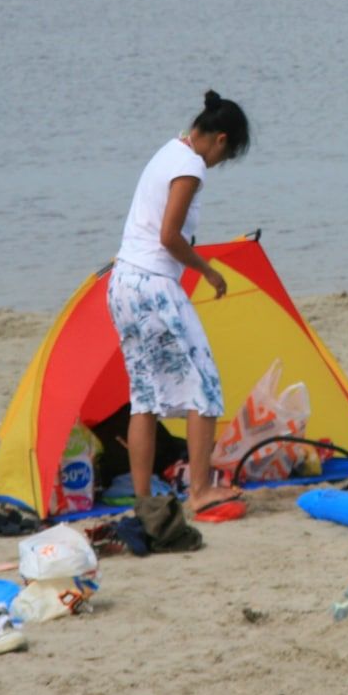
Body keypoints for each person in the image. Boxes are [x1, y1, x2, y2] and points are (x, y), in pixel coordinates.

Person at [109, 90, 251, 543]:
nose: (218, 164)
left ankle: (143, 499)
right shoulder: (190, 166)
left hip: (121, 283)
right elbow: (170, 236)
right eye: (225, 156)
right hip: (153, 284)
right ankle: (201, 491)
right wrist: (207, 270)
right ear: (220, 140)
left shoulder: (168, 151)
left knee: (144, 396)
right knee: (204, 384)